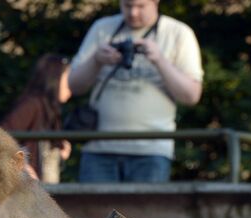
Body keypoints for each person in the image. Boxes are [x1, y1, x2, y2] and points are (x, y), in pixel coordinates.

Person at [68, 0, 203, 182]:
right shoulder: (103, 28)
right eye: (127, 6)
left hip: (151, 152)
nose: (132, 13)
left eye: (140, 6)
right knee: (95, 211)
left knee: (144, 212)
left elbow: (192, 95)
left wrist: (160, 61)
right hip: (98, 149)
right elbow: (74, 86)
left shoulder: (178, 33)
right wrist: (96, 60)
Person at [0, 54, 73, 183]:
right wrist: (23, 166)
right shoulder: (33, 105)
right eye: (68, 78)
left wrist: (60, 151)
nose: (71, 85)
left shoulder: (51, 110)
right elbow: (0, 137)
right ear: (55, 79)